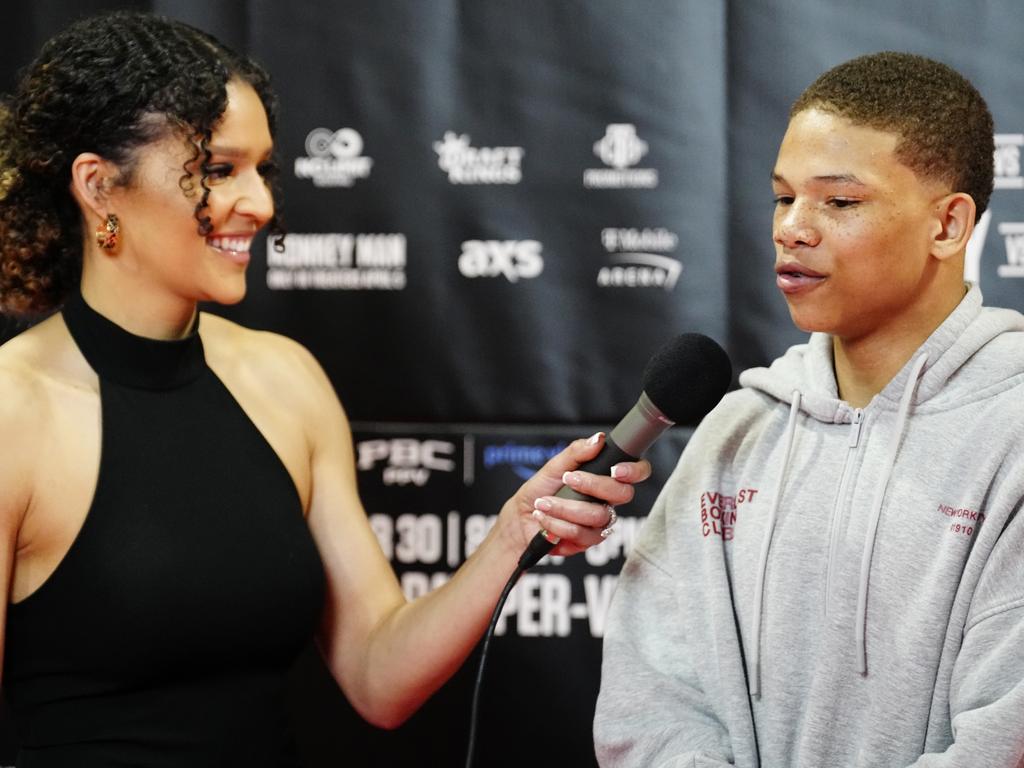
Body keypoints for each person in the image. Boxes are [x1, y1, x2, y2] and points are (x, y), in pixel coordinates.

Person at [0, 11, 650, 766]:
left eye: (263, 170)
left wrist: (512, 533)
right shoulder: (14, 410)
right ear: (97, 186)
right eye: (218, 170)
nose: (263, 205)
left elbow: (380, 677)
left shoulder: (285, 381)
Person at [594, 51, 1024, 767]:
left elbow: (1002, 738)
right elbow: (652, 703)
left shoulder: (1012, 431)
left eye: (840, 201)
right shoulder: (739, 430)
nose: (792, 228)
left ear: (948, 226)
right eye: (782, 196)